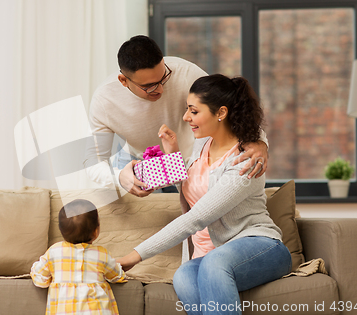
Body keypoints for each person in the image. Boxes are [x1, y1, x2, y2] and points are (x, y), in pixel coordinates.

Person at [117, 74, 291, 314]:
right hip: (216, 254)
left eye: (193, 111)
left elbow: (197, 217)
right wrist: (170, 157)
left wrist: (133, 256)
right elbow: (194, 191)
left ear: (221, 113)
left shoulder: (245, 161)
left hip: (261, 246)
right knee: (185, 274)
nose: (185, 117)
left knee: (214, 262)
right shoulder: (203, 145)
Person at [85, 35, 269, 197]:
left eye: (164, 77)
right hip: (144, 163)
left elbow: (230, 105)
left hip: (190, 158)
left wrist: (259, 141)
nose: (160, 89)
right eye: (149, 86)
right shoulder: (104, 101)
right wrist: (118, 177)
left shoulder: (186, 72)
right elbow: (92, 161)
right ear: (124, 81)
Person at [30, 199, 127, 315]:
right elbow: (117, 276)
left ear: (61, 230)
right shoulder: (102, 254)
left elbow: (40, 279)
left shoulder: (54, 252)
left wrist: (36, 266)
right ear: (96, 231)